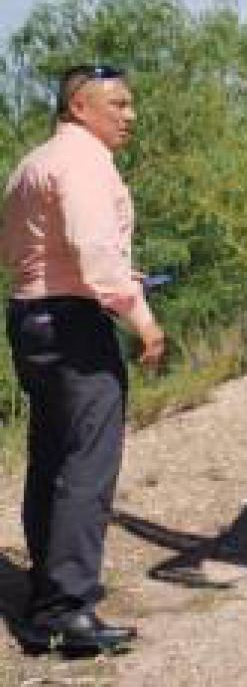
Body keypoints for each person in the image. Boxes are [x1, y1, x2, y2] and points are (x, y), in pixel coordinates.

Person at [1, 64, 164, 656]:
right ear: (78, 106)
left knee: (51, 458)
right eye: (117, 104)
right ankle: (68, 613)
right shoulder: (86, 163)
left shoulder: (34, 162)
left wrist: (103, 278)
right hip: (73, 326)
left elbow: (19, 249)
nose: (130, 115)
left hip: (31, 317)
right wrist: (141, 318)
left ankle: (47, 598)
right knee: (87, 467)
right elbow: (96, 253)